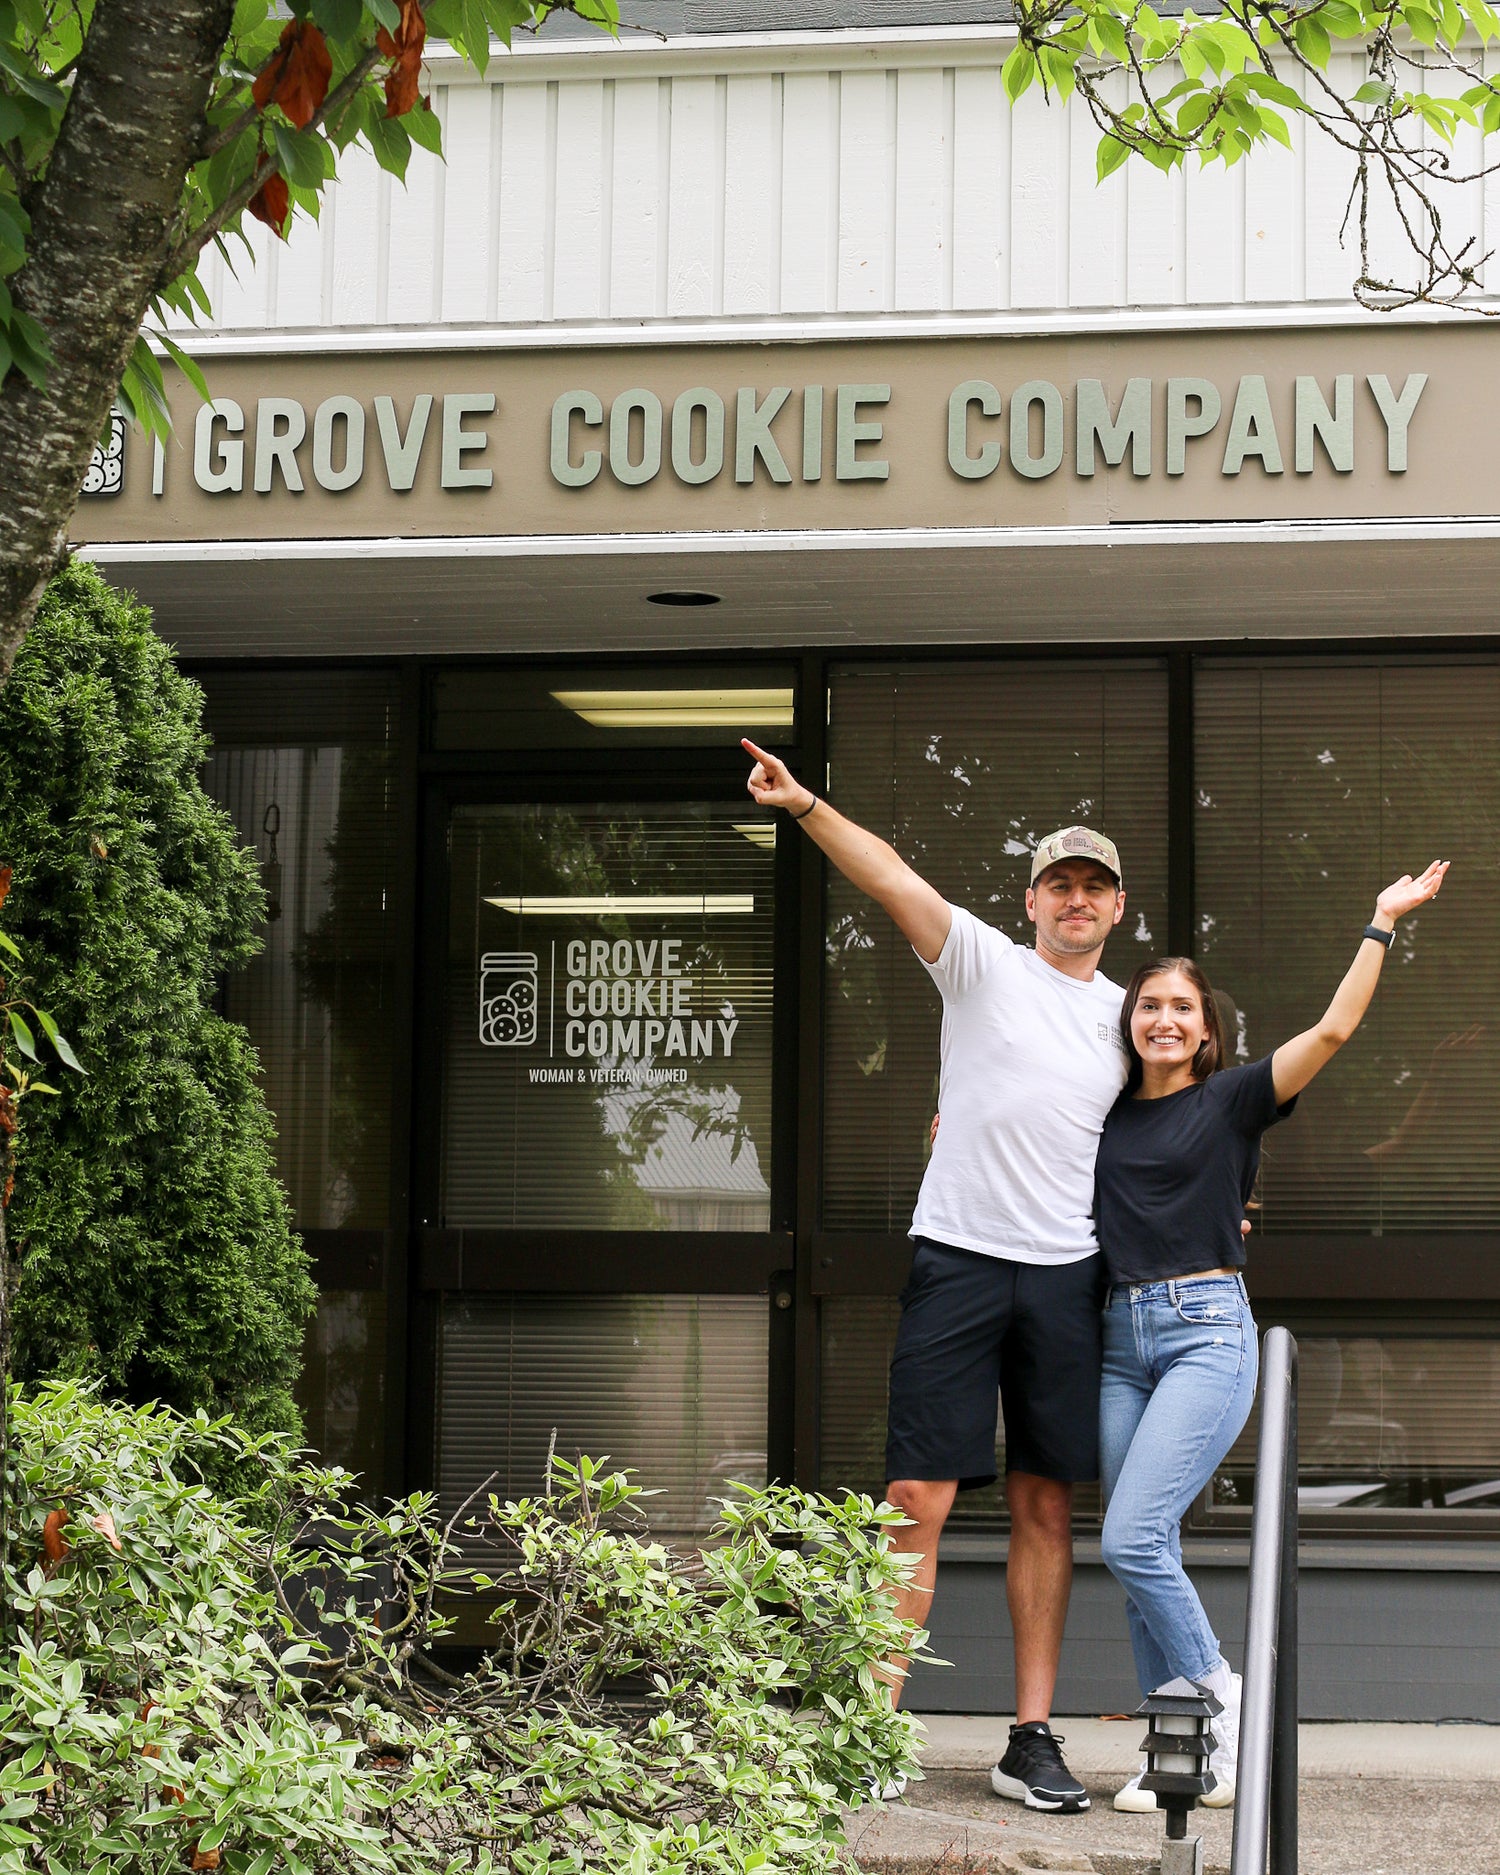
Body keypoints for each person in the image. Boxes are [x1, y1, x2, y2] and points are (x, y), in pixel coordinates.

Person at [743, 736, 1127, 1814]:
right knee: (915, 1497)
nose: (1076, 899)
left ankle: (1032, 1739)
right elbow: (891, 876)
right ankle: (869, 1729)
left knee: (1045, 1505)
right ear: (1034, 900)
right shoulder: (981, 963)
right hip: (959, 1260)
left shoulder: (1133, 1015)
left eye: (1094, 886)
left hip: (1065, 1276)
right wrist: (808, 803)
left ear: (1117, 906)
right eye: (1061, 883)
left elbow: (1185, 1120)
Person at [1093, 860, 1449, 1814]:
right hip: (1118, 1340)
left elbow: (1333, 1029)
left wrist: (1380, 923)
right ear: (1129, 1021)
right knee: (1141, 1548)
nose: (1163, 1018)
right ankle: (1183, 1751)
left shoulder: (1237, 1098)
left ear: (1208, 1029)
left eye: (1181, 1006)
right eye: (1148, 1005)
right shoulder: (1102, 1115)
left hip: (1207, 1330)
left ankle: (1222, 1692)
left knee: (1130, 1533)